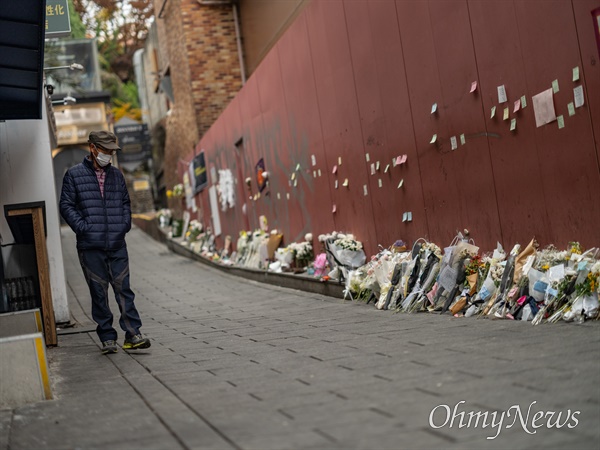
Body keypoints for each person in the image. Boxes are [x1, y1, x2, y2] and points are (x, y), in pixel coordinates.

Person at [60, 130, 150, 354]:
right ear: (93, 148)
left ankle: (133, 334)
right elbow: (66, 206)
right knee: (98, 292)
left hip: (117, 244)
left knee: (124, 290)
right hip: (91, 246)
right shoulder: (74, 175)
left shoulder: (117, 176)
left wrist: (123, 225)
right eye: (105, 150)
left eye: (112, 151)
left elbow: (125, 203)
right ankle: (107, 336)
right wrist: (84, 228)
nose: (109, 154)